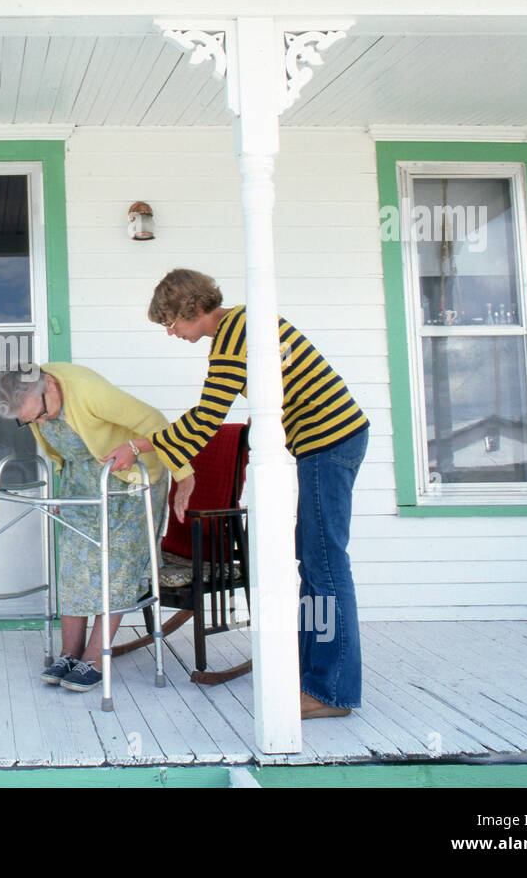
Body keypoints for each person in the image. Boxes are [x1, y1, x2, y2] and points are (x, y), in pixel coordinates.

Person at [102, 269, 369, 720]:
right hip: (328, 443)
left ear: (193, 309)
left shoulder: (232, 339)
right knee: (315, 559)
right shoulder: (243, 324)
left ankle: (331, 692)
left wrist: (138, 445)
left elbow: (207, 418)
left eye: (172, 323)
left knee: (326, 564)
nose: (171, 333)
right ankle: (313, 677)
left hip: (329, 442)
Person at [0, 363, 191, 693]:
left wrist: (184, 478)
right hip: (82, 483)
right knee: (73, 564)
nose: (39, 423)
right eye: (27, 422)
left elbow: (156, 422)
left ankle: (96, 657)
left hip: (129, 480)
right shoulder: (34, 397)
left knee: (116, 565)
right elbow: (63, 450)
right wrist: (61, 484)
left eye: (40, 415)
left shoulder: (88, 393)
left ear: (50, 386)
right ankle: (70, 654)